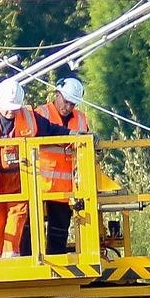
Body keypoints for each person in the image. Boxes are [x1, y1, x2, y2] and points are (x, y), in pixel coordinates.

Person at [0, 79, 67, 258]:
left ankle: (11, 259)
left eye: (15, 108)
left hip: (19, 180)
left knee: (18, 218)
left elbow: (52, 130)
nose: (11, 112)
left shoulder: (29, 117)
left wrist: (73, 135)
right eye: (8, 107)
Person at [33, 76, 90, 255]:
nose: (68, 107)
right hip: (39, 185)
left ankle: (56, 271)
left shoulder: (81, 119)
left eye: (72, 104)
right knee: (31, 231)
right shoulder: (41, 114)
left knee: (58, 235)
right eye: (66, 102)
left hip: (65, 188)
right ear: (57, 94)